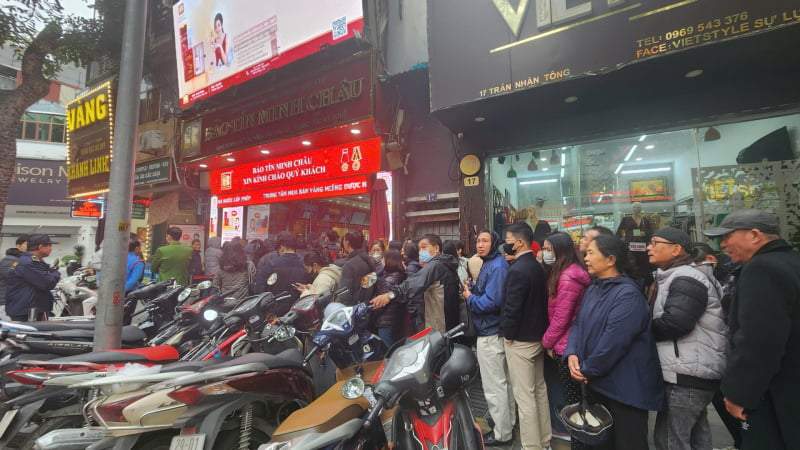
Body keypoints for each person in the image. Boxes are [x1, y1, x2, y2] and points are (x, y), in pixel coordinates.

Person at [703, 209, 800, 450]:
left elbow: (758, 340)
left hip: (775, 391)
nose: (723, 244)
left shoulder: (762, 269)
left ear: (755, 235)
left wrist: (739, 394)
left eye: (727, 236)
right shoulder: (790, 261)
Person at [565, 235, 664, 450]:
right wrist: (572, 353)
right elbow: (578, 324)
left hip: (625, 390)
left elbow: (614, 342)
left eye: (591, 253)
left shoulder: (628, 294)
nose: (586, 258)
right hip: (598, 383)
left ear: (610, 259)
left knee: (628, 443)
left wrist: (587, 369)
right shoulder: (594, 288)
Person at [646, 227, 727, 450]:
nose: (649, 248)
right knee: (696, 437)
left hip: (686, 375)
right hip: (689, 371)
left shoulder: (686, 278)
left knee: (670, 440)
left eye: (655, 243)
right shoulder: (675, 275)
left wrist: (641, 328)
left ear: (676, 249)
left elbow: (675, 323)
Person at [497, 223, 552, 449]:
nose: (505, 244)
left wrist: (508, 336)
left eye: (508, 240)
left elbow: (512, 308)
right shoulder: (536, 266)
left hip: (520, 341)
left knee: (525, 397)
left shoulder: (518, 270)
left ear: (519, 243)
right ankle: (545, 441)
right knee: (539, 391)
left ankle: (531, 446)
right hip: (538, 337)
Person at [462, 230, 514, 446]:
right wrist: (474, 289)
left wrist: (469, 297)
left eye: (485, 241)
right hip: (492, 331)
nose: (480, 244)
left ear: (494, 243)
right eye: (478, 241)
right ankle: (507, 424)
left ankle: (502, 433)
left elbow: (491, 302)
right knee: (503, 384)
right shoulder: (491, 263)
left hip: (490, 332)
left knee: (494, 387)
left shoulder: (497, 266)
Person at [540, 232, 591, 450]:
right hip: (566, 341)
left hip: (566, 344)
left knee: (571, 396)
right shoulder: (566, 271)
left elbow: (562, 318)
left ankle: (574, 437)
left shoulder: (568, 277)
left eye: (548, 249)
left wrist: (546, 342)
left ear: (560, 250)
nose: (545, 253)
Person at [370, 234, 461, 334]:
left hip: (439, 324)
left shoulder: (435, 265)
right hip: (449, 321)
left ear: (436, 248)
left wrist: (390, 295)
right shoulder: (445, 263)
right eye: (419, 249)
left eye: (424, 247)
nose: (421, 251)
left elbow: (413, 284)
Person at [5, 234, 61, 321]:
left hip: (28, 308)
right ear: (40, 247)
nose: (51, 248)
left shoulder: (30, 261)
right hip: (26, 311)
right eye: (49, 245)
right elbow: (47, 283)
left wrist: (50, 272)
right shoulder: (28, 263)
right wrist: (56, 273)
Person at [254, 231, 307, 299]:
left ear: (282, 247)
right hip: (297, 303)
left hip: (274, 303)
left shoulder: (271, 264)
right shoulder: (305, 264)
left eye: (277, 250)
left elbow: (259, 289)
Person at [374, 249, 407, 346]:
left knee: (388, 348)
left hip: (386, 320)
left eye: (383, 259)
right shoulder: (399, 275)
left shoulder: (389, 280)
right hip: (395, 319)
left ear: (389, 260)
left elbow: (381, 302)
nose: (382, 261)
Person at [337, 231, 377, 306]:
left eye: (344, 240)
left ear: (347, 243)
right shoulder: (370, 260)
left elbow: (343, 295)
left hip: (352, 307)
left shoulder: (349, 265)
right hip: (367, 305)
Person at [0, 234, 30, 319]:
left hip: (16, 302)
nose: (30, 246)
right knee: (11, 326)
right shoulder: (9, 259)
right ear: (18, 246)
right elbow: (12, 277)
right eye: (27, 244)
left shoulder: (22, 259)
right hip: (6, 303)